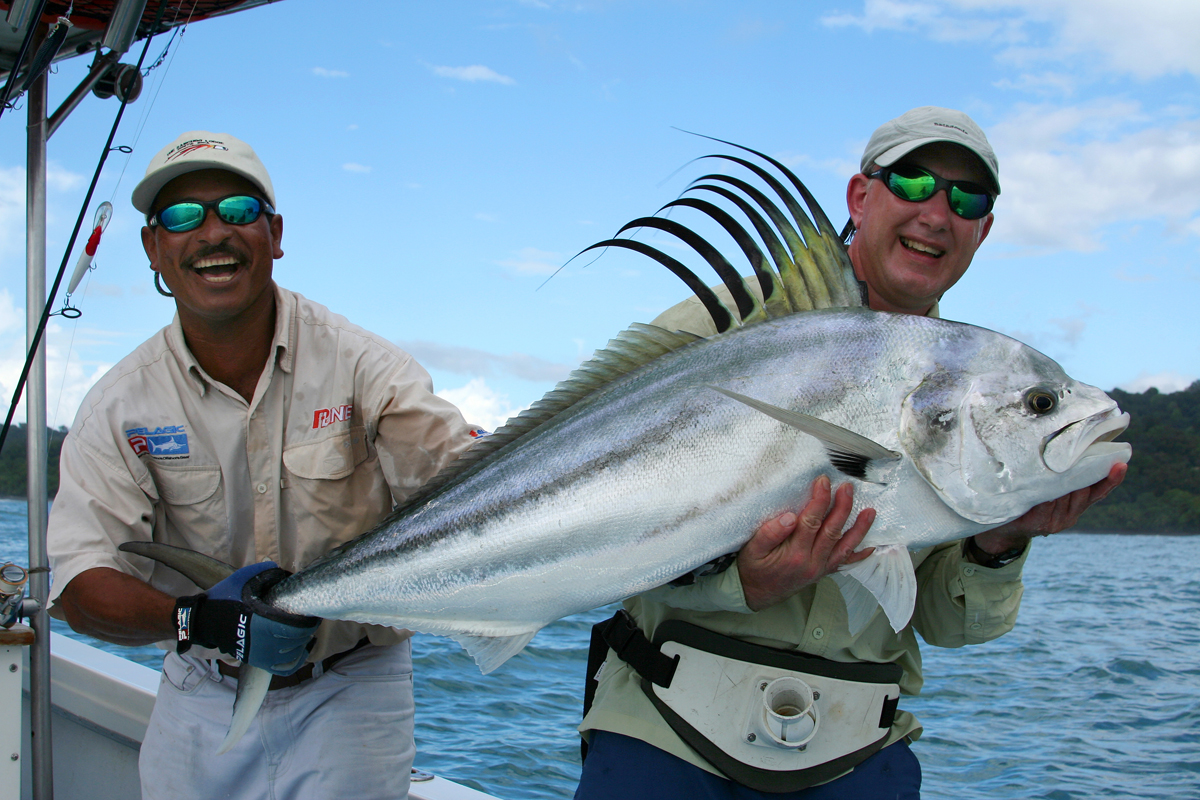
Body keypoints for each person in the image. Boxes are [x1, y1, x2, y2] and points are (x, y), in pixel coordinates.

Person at [575, 107, 1127, 799]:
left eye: (967, 198)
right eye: (914, 182)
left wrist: (1003, 539)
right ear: (861, 196)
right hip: (663, 728)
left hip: (858, 749)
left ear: (982, 231)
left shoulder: (984, 393)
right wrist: (736, 581)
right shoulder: (725, 326)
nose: (937, 211)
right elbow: (589, 503)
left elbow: (946, 623)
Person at [46, 131, 481, 800]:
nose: (212, 233)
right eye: (183, 217)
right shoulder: (119, 404)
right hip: (200, 682)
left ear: (275, 234)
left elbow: (467, 484)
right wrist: (197, 620)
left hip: (352, 683)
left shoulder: (368, 367)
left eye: (239, 211)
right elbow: (81, 583)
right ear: (154, 249)